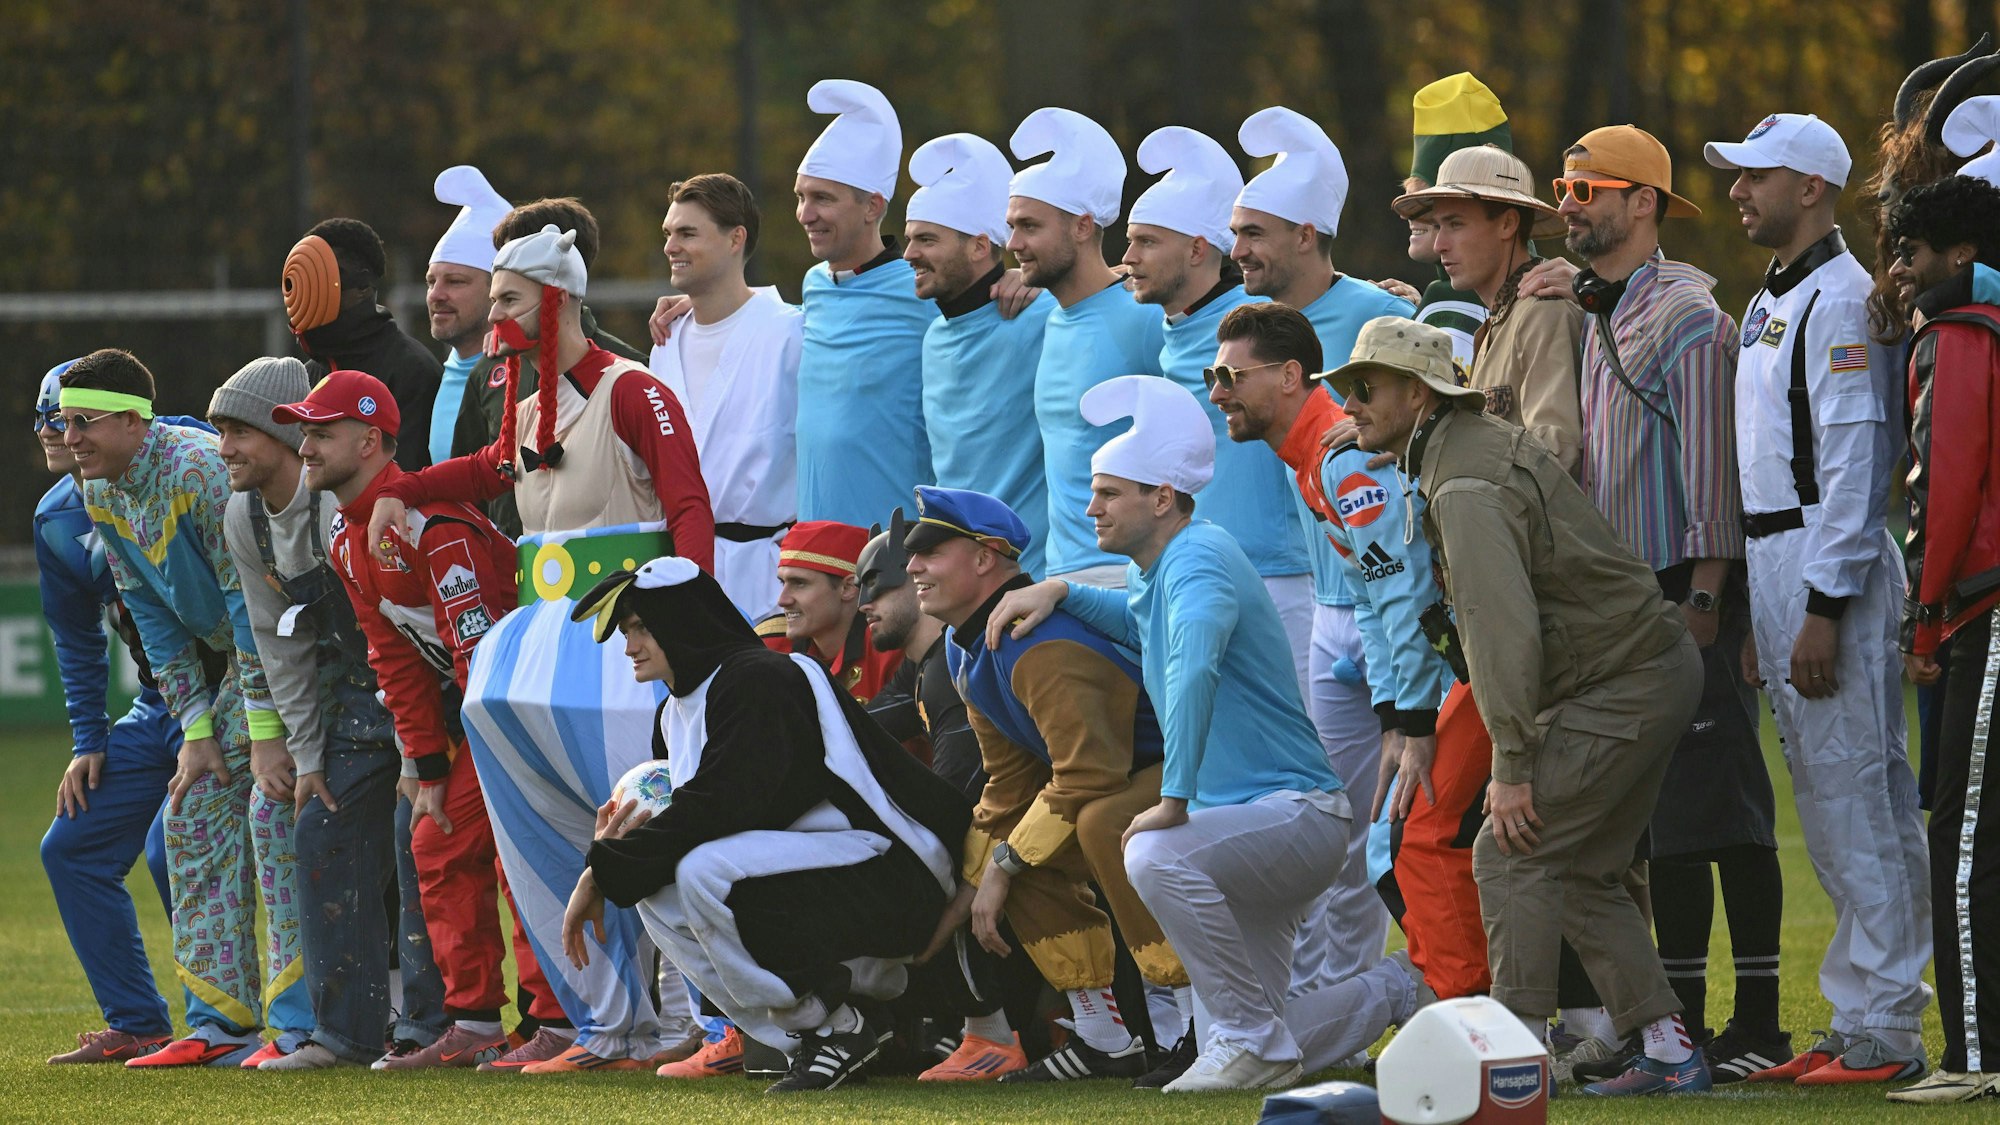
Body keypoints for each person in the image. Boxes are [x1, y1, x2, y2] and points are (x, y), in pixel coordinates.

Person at [988, 376, 1429, 1092]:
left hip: (1288, 816)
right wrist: (1063, 589)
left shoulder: (1196, 559)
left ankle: (1250, 1038)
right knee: (1264, 1031)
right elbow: (1139, 618)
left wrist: (1173, 797)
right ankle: (1399, 988)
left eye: (1109, 492)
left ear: (1161, 497)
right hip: (1261, 823)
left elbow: (1191, 669)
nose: (1089, 505)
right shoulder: (1166, 564)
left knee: (1156, 850)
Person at [1327, 318, 1710, 1097]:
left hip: (1623, 680)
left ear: (1417, 393)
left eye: (1365, 388)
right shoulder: (1458, 453)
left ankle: (1513, 1057)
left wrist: (1511, 764)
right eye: (1344, 388)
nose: (1349, 405)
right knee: (1579, 867)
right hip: (1642, 671)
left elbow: (1502, 633)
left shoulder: (1463, 480)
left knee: (1510, 847)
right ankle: (1667, 1048)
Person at [370, 225, 713, 1072]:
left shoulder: (634, 391)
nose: (496, 321)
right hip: (540, 652)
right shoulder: (528, 409)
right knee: (546, 838)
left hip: (622, 648)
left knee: (651, 823)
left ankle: (702, 1020)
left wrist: (690, 620)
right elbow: (485, 471)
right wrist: (396, 492)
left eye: (510, 300)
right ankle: (603, 1024)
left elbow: (688, 502)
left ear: (556, 300)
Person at [1701, 114, 1934, 1087]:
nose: (1734, 191)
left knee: (1858, 799)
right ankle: (1851, 1013)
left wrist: (1823, 602)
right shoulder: (1775, 295)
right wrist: (1766, 607)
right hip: (1774, 559)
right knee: (1824, 799)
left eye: (1755, 175)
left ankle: (1884, 1024)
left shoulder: (1838, 300)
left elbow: (1849, 466)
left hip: (1815, 556)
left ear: (1810, 186)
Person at [561, 556, 971, 1092]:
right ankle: (825, 1027)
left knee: (701, 870)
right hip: (825, 880)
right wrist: (617, 862)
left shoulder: (760, 678)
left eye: (641, 627)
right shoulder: (675, 711)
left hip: (900, 874)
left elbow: (723, 805)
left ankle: (838, 1024)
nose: (629, 645)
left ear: (682, 622)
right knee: (655, 887)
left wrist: (601, 870)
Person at [277, 369, 576, 1071]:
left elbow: (480, 653)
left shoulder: (429, 525)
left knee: (514, 849)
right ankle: (474, 1022)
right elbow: (394, 658)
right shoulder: (349, 538)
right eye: (305, 430)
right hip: (481, 712)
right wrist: (430, 769)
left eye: (321, 431)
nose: (307, 444)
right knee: (435, 840)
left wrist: (482, 760)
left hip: (522, 707)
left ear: (371, 439)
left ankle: (559, 1019)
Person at [1206, 304, 1492, 1004]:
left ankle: (1470, 1012)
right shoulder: (1313, 458)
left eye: (1229, 375)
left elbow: (1403, 595)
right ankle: (1467, 1005)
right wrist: (1397, 714)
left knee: (1404, 848)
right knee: (1388, 845)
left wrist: (1412, 720)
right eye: (1211, 375)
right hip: (1434, 669)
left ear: (1289, 376)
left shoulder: (1342, 456)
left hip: (1467, 668)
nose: (1216, 392)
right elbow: (1372, 598)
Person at [59, 349, 311, 1067]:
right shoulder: (101, 489)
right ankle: (220, 1023)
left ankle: (297, 1020)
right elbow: (150, 615)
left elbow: (253, 605)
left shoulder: (198, 470)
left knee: (269, 806)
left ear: (137, 423)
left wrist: (265, 736)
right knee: (193, 806)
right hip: (237, 659)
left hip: (288, 650)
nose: (69, 436)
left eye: (85, 420)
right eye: (62, 420)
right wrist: (196, 732)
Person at [902, 485, 1183, 1085]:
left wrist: (1000, 868)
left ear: (984, 559)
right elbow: (1009, 783)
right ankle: (1107, 1040)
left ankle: (1192, 1027)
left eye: (930, 550)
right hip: (1120, 785)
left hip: (1183, 777)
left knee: (1076, 830)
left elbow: (1090, 773)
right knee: (1008, 849)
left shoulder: (1037, 640)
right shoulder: (966, 644)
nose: (911, 567)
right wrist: (970, 881)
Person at [1229, 106, 1410, 993]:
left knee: (1386, 812)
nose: (1239, 251)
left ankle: (1364, 989)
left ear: (1307, 231)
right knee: (1319, 810)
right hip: (1311, 603)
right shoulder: (1245, 326)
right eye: (1233, 234)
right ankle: (1325, 993)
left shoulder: (1380, 316)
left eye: (1254, 233)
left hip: (1369, 592)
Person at [211, 357, 411, 1070]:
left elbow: (404, 622)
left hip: (417, 688)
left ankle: (427, 1028)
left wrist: (421, 745)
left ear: (277, 433)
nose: (224, 448)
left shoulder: (336, 502)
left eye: (236, 431)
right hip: (354, 703)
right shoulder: (241, 515)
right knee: (321, 825)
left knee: (415, 830)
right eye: (218, 431)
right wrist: (307, 758)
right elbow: (273, 644)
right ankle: (344, 1036)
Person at [1125, 125, 1314, 691]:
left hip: (1284, 576)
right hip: (1202, 570)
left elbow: (1335, 305)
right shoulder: (1169, 326)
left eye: (1146, 243)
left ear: (1197, 249)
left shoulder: (1261, 316)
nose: (1128, 257)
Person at [35, 361, 183, 1065]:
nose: (54, 432)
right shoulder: (59, 519)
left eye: (69, 417)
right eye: (50, 418)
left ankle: (238, 1017)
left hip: (237, 695)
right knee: (71, 846)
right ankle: (139, 1020)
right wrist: (89, 738)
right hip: (158, 704)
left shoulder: (187, 455)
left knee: (171, 844)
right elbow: (76, 636)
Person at [1891, 163, 2000, 1105]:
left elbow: (1950, 478)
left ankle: (1971, 1053)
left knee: (1959, 836)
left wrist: (1927, 613)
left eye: (1913, 253)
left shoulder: (1959, 334)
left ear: (1959, 255)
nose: (1901, 270)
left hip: (1983, 605)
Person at [1010, 106, 1164, 588]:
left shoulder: (1143, 315)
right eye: (1012, 225)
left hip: (1128, 575)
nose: (1012, 241)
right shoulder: (1046, 316)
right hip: (1059, 575)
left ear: (1081, 226)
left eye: (1030, 227)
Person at [648, 173, 803, 621]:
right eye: (668, 233)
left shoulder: (790, 332)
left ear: (736, 238)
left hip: (766, 583)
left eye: (687, 233)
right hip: (674, 576)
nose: (670, 246)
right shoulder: (666, 342)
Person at [454, 197, 653, 539]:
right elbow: (470, 478)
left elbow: (674, 492)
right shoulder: (489, 370)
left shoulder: (630, 374)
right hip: (515, 576)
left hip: (608, 575)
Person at [906, 132, 1057, 578]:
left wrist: (1108, 275)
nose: (910, 253)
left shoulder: (1041, 314)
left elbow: (1115, 302)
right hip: (957, 582)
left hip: (1031, 577)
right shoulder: (934, 335)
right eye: (912, 238)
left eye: (927, 240)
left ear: (977, 245)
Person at [790, 79, 936, 525]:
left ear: (873, 206)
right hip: (815, 554)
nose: (805, 214)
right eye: (800, 196)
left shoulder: (926, 290)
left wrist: (1018, 283)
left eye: (822, 198)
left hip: (895, 555)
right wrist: (696, 308)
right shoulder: (814, 284)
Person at [1394, 146, 1580, 474]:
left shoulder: (1542, 312)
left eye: (1455, 224)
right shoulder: (1501, 318)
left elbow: (1555, 455)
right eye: (1438, 226)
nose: (1439, 245)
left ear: (1508, 224)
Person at [282, 217, 440, 471]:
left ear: (363, 286)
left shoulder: (411, 371)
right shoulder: (307, 375)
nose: (305, 290)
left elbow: (408, 483)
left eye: (320, 277)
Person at [855, 508, 978, 795]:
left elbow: (953, 802)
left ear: (916, 575)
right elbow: (853, 731)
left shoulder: (953, 669)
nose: (863, 604)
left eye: (876, 583)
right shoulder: (918, 666)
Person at [1401, 72, 1516, 366]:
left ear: (1506, 222)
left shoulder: (1542, 304)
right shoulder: (1436, 298)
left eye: (1425, 200)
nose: (1411, 215)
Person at [423, 165, 513, 467]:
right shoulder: (440, 373)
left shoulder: (524, 374)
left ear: (497, 289)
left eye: (455, 281)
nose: (436, 295)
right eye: (431, 281)